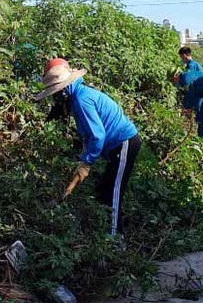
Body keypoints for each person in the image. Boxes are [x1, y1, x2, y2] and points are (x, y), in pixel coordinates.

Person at [36, 58, 141, 237]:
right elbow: (89, 135)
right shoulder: (79, 96)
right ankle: (105, 234)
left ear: (63, 90)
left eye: (56, 93)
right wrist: (84, 157)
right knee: (102, 190)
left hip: (123, 143)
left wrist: (87, 161)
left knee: (112, 193)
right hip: (116, 146)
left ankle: (115, 240)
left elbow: (98, 136)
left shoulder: (81, 100)